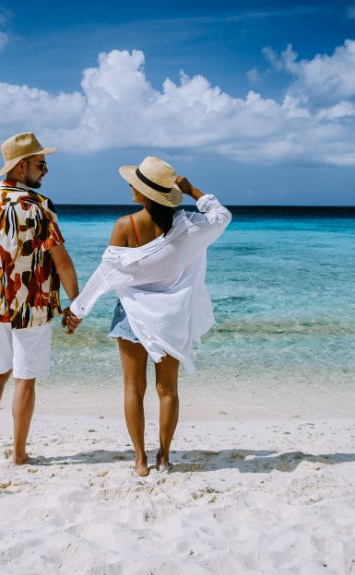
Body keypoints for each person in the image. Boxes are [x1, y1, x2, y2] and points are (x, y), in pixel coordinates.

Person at [63, 156, 231, 476]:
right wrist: (192, 189)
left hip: (131, 314)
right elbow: (222, 215)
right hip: (171, 317)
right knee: (168, 390)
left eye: (135, 185)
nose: (130, 188)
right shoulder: (190, 225)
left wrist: (78, 309)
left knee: (133, 389)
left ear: (143, 194)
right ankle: (165, 458)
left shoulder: (126, 225)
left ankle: (140, 459)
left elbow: (105, 274)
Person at [0, 132, 79, 466]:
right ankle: (18, 454)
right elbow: (62, 261)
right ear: (21, 166)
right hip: (32, 305)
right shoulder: (40, 207)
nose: (46, 170)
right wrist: (77, 304)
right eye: (41, 164)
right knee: (24, 378)